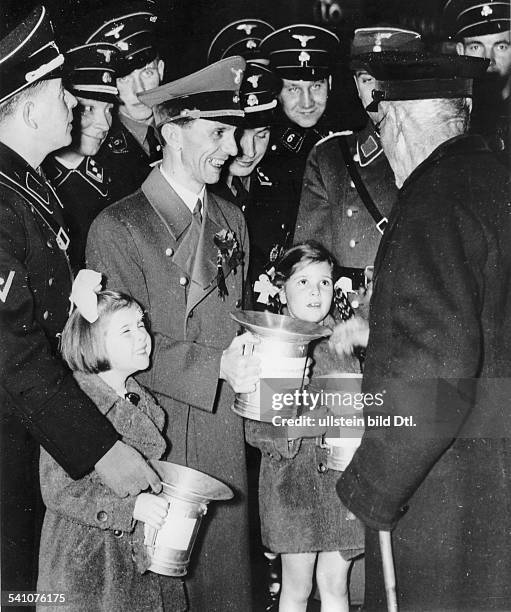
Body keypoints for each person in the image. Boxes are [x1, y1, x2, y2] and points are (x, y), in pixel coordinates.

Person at [336, 51, 511, 609]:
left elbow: (436, 365)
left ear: (397, 119)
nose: (382, 149)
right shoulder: (495, 180)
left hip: (447, 482)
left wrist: (375, 487)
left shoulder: (432, 198)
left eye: (379, 128)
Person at [86, 56, 260, 611]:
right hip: (155, 443)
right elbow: (113, 356)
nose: (231, 148)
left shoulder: (232, 219)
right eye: (217, 132)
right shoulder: (118, 227)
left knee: (225, 590)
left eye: (232, 132)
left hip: (222, 435)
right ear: (171, 133)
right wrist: (216, 368)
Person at [0, 6, 160, 599]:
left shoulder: (28, 181)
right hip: (15, 434)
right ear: (33, 105)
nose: (76, 105)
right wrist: (103, 453)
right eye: (64, 95)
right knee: (16, 587)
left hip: (36, 426)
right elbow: (11, 352)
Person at [37, 275, 186, 612]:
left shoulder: (142, 403)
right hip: (84, 564)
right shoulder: (70, 406)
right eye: (126, 331)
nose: (143, 337)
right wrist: (130, 509)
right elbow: (57, 491)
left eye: (141, 325)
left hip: (128, 562)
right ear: (93, 343)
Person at [246, 241, 364, 612]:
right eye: (303, 282)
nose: (316, 292)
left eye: (325, 282)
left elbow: (358, 412)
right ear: (281, 289)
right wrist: (307, 403)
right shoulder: (270, 341)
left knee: (335, 585)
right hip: (291, 489)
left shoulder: (343, 341)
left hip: (339, 485)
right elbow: (262, 432)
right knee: (296, 588)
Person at [295, 27, 423, 292]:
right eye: (367, 80)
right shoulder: (331, 157)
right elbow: (307, 265)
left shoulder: (439, 154)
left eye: (391, 78)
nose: (378, 92)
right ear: (355, 86)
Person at [252, 25, 340, 262]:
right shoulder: (259, 148)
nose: (307, 101)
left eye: (316, 86)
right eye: (294, 89)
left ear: (330, 83)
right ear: (277, 92)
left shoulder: (345, 140)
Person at [44, 41, 122, 270]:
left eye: (109, 110)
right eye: (88, 109)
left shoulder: (119, 175)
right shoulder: (40, 180)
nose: (104, 124)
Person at [86, 2, 165, 200]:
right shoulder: (95, 147)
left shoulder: (186, 123)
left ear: (161, 70)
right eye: (124, 78)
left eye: (147, 73)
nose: (139, 90)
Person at [444, 0, 510, 158]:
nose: (489, 59)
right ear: (461, 51)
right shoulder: (449, 116)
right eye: (476, 47)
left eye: (500, 47)